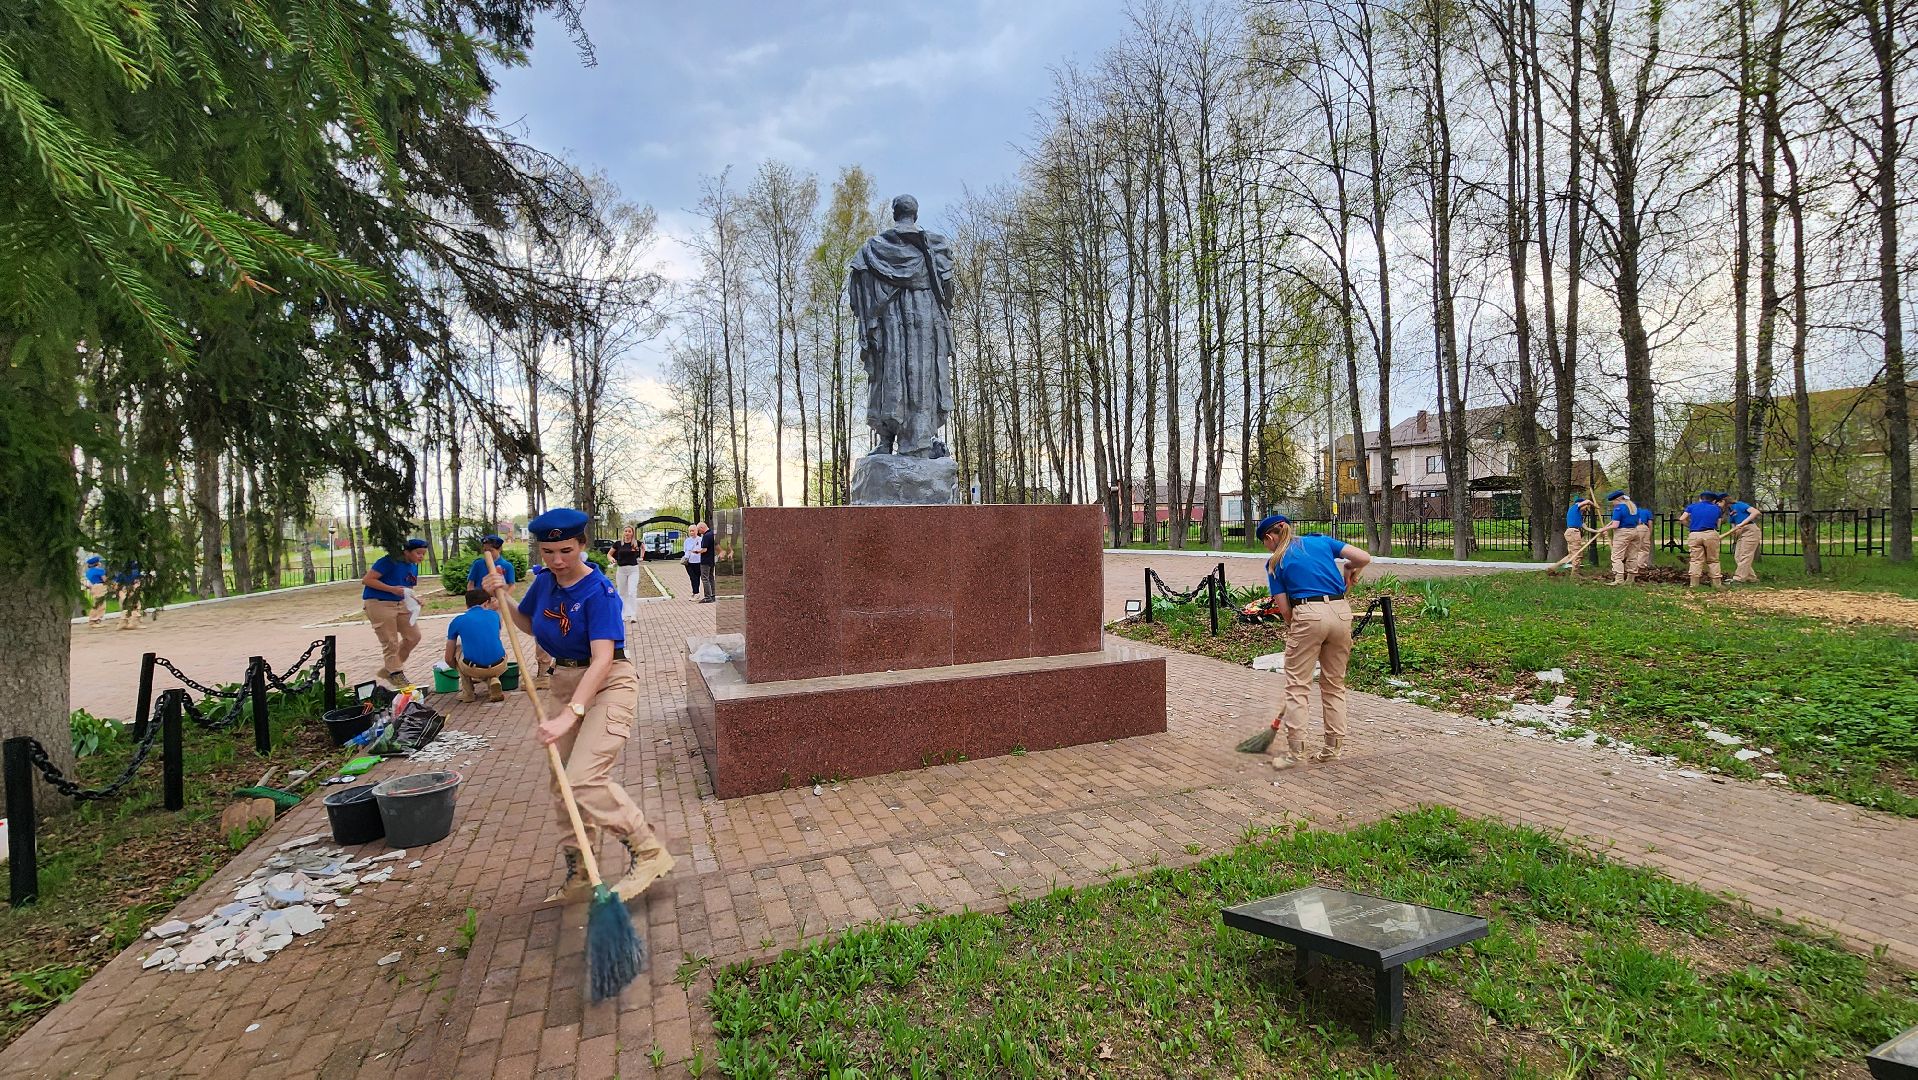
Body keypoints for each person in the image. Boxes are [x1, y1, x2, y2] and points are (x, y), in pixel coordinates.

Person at [481, 507, 673, 903]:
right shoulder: (545, 583)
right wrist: (503, 599)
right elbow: (532, 625)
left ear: (582, 546)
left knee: (584, 777)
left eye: (566, 550)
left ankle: (648, 852)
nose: (557, 560)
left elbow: (603, 659)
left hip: (607, 685)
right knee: (562, 784)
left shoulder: (599, 591)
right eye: (548, 552)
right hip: (563, 682)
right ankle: (581, 870)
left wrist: (573, 713)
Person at [1254, 513, 1372, 771]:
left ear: (1270, 537)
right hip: (1341, 612)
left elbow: (1284, 609)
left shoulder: (1276, 561)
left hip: (1307, 614)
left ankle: (1296, 754)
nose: (1267, 547)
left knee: (1297, 686)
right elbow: (1363, 557)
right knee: (1334, 685)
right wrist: (1350, 569)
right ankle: (1332, 749)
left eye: (1265, 543)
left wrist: (1294, 628)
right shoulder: (1322, 542)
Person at [362, 538, 428, 686]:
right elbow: (367, 580)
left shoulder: (413, 567)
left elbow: (407, 588)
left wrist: (415, 599)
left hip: (400, 603)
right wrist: (391, 589)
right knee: (390, 641)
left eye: (423, 554)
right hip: (379, 603)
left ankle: (389, 669)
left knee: (413, 636)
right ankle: (396, 674)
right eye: (418, 553)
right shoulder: (388, 561)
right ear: (406, 551)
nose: (421, 557)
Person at [444, 588, 508, 703]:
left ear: (466, 604)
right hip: (500, 664)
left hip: (473, 667)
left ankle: (468, 693)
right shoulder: (495, 616)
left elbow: (448, 658)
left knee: (458, 649)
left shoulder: (458, 621)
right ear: (486, 603)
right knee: (490, 647)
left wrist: (459, 669)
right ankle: (492, 679)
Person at [1680, 490, 1726, 589]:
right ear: (1713, 500)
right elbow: (1718, 524)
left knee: (1696, 560)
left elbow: (1682, 519)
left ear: (1700, 498)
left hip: (1694, 534)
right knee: (1713, 560)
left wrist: (1691, 526)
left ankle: (1694, 584)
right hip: (1710, 533)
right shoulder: (1717, 509)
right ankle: (1717, 584)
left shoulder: (1691, 507)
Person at [1596, 491, 1643, 585]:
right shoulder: (1633, 507)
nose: (1613, 504)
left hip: (1622, 533)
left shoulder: (1618, 508)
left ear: (1617, 499)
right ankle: (1630, 579)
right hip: (1635, 532)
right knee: (1632, 556)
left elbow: (1615, 525)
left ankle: (1619, 580)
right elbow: (1639, 521)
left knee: (1616, 556)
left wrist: (1603, 529)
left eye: (1613, 501)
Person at [1719, 492, 1763, 583]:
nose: (1718, 506)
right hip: (1741, 534)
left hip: (1750, 531)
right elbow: (1733, 526)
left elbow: (1756, 512)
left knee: (1745, 555)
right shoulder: (1730, 511)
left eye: (1718, 503)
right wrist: (1734, 532)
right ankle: (1751, 578)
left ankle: (1739, 578)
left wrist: (1742, 523)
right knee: (1738, 556)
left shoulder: (1739, 505)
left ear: (1724, 501)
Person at [610, 526, 643, 620]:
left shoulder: (636, 543)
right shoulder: (618, 544)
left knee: (632, 592)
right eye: (626, 531)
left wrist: (641, 557)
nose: (627, 533)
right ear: (623, 533)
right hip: (621, 570)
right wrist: (611, 559)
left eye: (629, 531)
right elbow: (609, 554)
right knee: (621, 592)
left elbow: (643, 547)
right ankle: (623, 613)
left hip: (633, 570)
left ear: (632, 533)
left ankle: (633, 614)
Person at [1563, 497, 1596, 577]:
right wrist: (1594, 505)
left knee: (1572, 554)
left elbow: (1586, 528)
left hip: (1571, 532)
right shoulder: (1575, 508)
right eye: (1585, 507)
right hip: (1573, 533)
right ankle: (1575, 574)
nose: (1585, 509)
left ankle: (1555, 566)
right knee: (1577, 554)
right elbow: (1588, 501)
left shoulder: (1578, 516)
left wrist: (1599, 531)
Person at [114, 559, 146, 630]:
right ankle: (133, 624)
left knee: (125, 606)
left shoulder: (121, 573)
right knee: (135, 606)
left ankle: (123, 623)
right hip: (132, 589)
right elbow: (138, 583)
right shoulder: (136, 573)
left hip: (123, 590)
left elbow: (116, 585)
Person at [83, 556, 109, 627]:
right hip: (100, 586)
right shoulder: (100, 571)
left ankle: (95, 620)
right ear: (97, 563)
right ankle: (94, 620)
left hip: (93, 587)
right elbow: (105, 580)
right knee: (100, 604)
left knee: (97, 602)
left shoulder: (88, 571)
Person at [682, 524, 704, 600]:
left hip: (698, 561)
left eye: (693, 531)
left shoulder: (700, 540)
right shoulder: (687, 541)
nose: (692, 532)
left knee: (697, 577)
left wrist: (697, 552)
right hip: (689, 562)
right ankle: (695, 592)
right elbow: (685, 551)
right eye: (690, 531)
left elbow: (703, 550)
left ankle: (696, 593)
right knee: (692, 577)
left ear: (697, 531)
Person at [699, 521, 719, 603]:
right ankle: (713, 595)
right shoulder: (712, 534)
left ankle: (707, 597)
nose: (699, 532)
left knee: (705, 578)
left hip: (705, 560)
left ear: (702, 528)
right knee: (711, 577)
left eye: (699, 530)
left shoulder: (706, 536)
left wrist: (697, 551)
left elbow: (704, 549)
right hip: (711, 560)